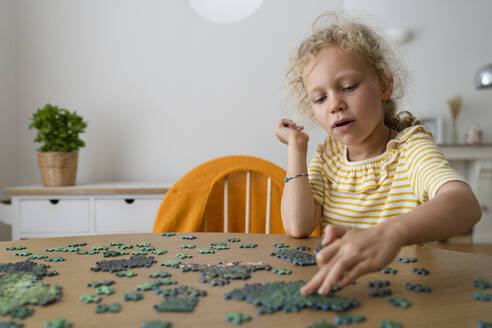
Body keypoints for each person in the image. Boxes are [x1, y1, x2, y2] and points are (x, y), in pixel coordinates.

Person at [274, 12, 481, 296]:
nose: (334, 104)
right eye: (320, 99)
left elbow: (466, 205)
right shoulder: (327, 156)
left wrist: (392, 232)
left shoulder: (410, 148)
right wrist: (297, 148)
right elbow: (298, 226)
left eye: (348, 87)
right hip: (342, 292)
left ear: (385, 86)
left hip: (404, 293)